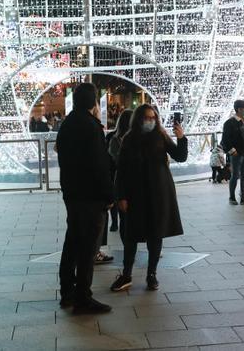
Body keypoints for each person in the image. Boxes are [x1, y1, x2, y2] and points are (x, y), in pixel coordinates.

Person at [110, 104, 187, 293]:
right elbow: (121, 171)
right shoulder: (129, 139)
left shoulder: (161, 135)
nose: (150, 121)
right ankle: (126, 274)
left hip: (159, 192)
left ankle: (151, 274)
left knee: (156, 233)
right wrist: (121, 196)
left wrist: (181, 137)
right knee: (131, 236)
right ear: (138, 119)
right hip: (136, 194)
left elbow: (180, 156)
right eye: (146, 118)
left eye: (153, 118)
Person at [55, 82, 115, 314]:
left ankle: (67, 292)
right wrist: (109, 194)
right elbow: (99, 165)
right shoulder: (91, 126)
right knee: (88, 247)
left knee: (72, 243)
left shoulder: (67, 124)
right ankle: (83, 296)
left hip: (73, 194)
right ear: (92, 103)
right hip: (90, 197)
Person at [220, 100, 244, 205]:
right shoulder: (230, 123)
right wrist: (232, 151)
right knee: (235, 175)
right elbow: (225, 139)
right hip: (236, 154)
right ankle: (232, 197)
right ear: (239, 109)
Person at [107, 109, 134, 232]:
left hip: (113, 174)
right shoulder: (118, 138)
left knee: (116, 199)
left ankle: (114, 223)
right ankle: (118, 223)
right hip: (121, 175)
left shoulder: (111, 136)